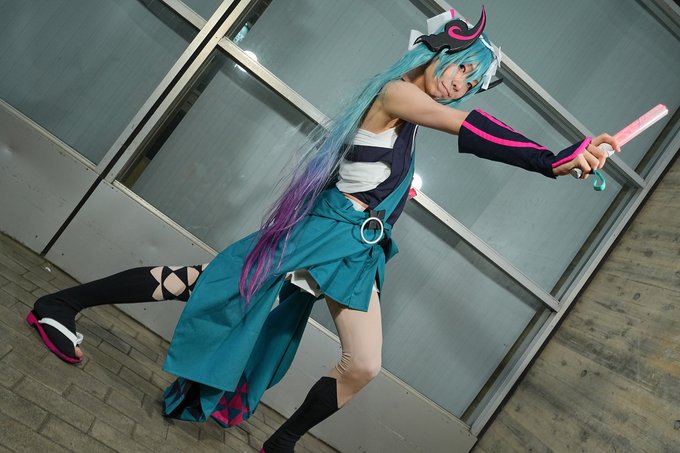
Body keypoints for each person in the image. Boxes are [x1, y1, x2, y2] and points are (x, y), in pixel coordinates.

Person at [26, 8, 618, 453]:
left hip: (355, 252)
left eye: (472, 80)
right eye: (462, 67)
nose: (461, 82)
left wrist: (570, 160)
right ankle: (60, 304)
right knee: (205, 284)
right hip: (324, 234)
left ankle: (281, 441)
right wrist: (554, 158)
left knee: (363, 365)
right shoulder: (397, 94)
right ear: (439, 52)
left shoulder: (409, 116)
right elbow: (465, 126)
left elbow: (437, 133)